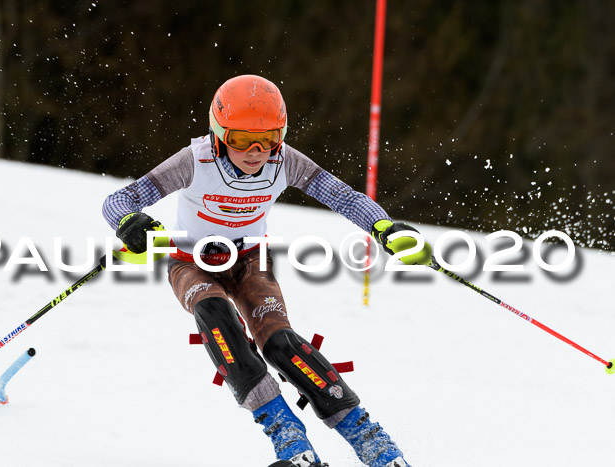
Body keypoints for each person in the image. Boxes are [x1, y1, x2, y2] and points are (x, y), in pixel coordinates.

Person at [102, 75, 432, 467]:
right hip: (191, 261)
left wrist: (383, 226)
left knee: (280, 343)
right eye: (241, 139)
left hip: (250, 260)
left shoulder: (285, 161)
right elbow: (119, 199)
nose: (256, 151)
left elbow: (341, 195)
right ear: (218, 133)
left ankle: (372, 441)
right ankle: (288, 437)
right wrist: (129, 221)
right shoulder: (194, 160)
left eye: (269, 138)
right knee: (214, 314)